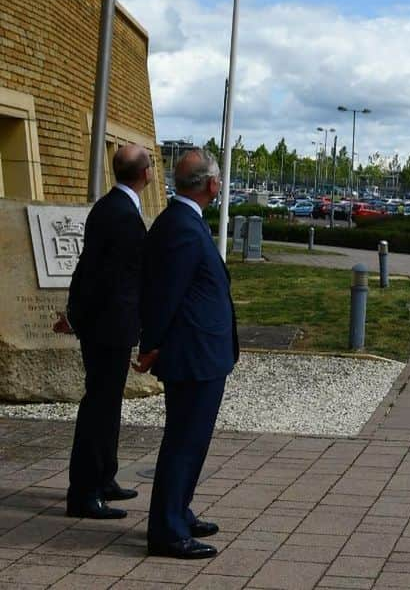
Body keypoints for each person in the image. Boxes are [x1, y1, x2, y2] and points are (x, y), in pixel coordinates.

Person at [136, 149, 238, 560]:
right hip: (192, 355)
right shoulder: (180, 226)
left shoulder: (183, 221)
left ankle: (178, 510)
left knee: (192, 442)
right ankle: (167, 530)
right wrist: (152, 345)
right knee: (183, 442)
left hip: (201, 353)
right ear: (212, 185)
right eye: (219, 180)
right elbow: (164, 294)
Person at [62, 143, 153, 519]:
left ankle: (104, 476)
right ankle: (84, 492)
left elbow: (88, 268)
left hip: (104, 322)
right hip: (108, 326)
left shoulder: (109, 207)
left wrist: (74, 313)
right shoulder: (122, 215)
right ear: (146, 174)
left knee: (108, 403)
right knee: (98, 407)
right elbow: (109, 277)